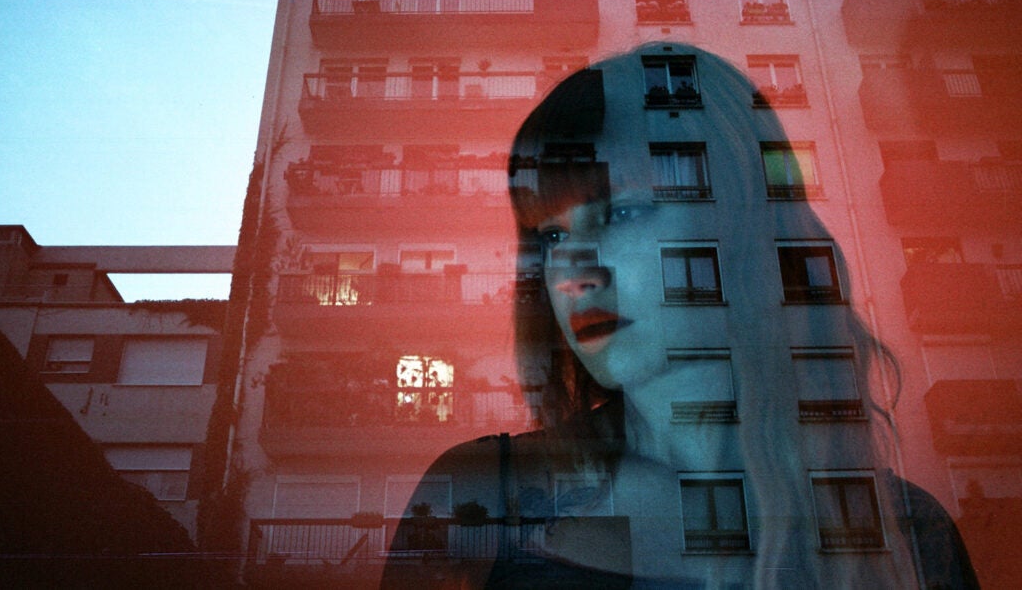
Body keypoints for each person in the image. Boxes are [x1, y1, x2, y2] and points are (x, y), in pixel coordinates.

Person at [382, 44, 978, 588]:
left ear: (740, 221)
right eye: (553, 233)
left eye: (623, 214)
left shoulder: (911, 538)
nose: (572, 271)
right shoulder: (478, 499)